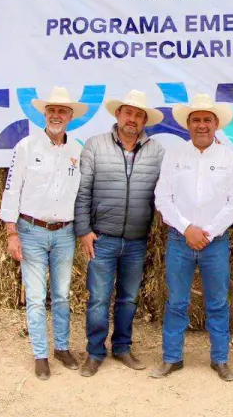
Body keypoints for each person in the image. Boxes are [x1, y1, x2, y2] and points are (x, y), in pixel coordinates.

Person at [149, 94, 233, 382]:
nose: (201, 125)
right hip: (180, 241)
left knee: (217, 303)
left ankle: (220, 360)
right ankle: (172, 358)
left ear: (216, 124)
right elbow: (163, 198)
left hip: (214, 243)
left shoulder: (229, 157)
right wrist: (186, 227)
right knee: (177, 302)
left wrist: (208, 232)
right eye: (196, 120)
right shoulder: (175, 155)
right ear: (188, 125)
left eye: (207, 120)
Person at [74, 89, 166, 377]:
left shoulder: (157, 151)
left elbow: (164, 193)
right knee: (99, 298)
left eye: (139, 115)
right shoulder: (95, 145)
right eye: (129, 113)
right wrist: (84, 230)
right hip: (102, 238)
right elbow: (83, 191)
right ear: (118, 115)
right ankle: (95, 352)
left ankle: (123, 347)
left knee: (129, 298)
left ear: (144, 121)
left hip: (137, 240)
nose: (133, 119)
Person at [0, 86, 88, 380]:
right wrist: (11, 232)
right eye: (51, 110)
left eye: (62, 111)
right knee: (36, 298)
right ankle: (40, 354)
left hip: (64, 233)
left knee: (62, 295)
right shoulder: (26, 147)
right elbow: (11, 190)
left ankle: (61, 347)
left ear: (71, 116)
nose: (56, 115)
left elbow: (82, 194)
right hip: (31, 231)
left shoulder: (78, 151)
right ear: (44, 114)